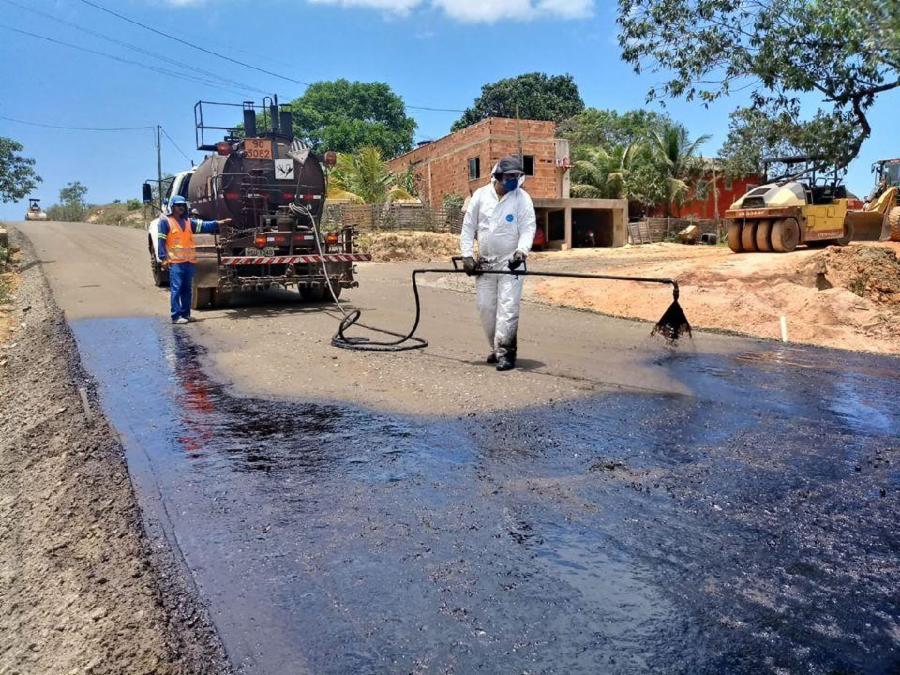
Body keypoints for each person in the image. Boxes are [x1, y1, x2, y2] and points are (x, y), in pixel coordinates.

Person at [460, 156, 536, 371]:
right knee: (486, 308)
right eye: (509, 177)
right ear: (497, 176)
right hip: (485, 264)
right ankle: (496, 347)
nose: (513, 180)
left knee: (508, 308)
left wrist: (521, 251)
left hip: (511, 264)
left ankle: (506, 353)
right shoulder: (481, 197)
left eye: (516, 176)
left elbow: (528, 227)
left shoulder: (522, 198)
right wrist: (467, 256)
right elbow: (468, 228)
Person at [157, 195, 231, 324]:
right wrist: (163, 258)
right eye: (178, 206)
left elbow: (204, 225)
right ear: (172, 207)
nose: (181, 208)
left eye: (183, 205)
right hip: (175, 263)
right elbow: (161, 241)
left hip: (188, 262)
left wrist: (219, 223)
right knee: (176, 289)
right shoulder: (165, 222)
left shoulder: (188, 222)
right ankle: (176, 316)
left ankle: (186, 314)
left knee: (187, 290)